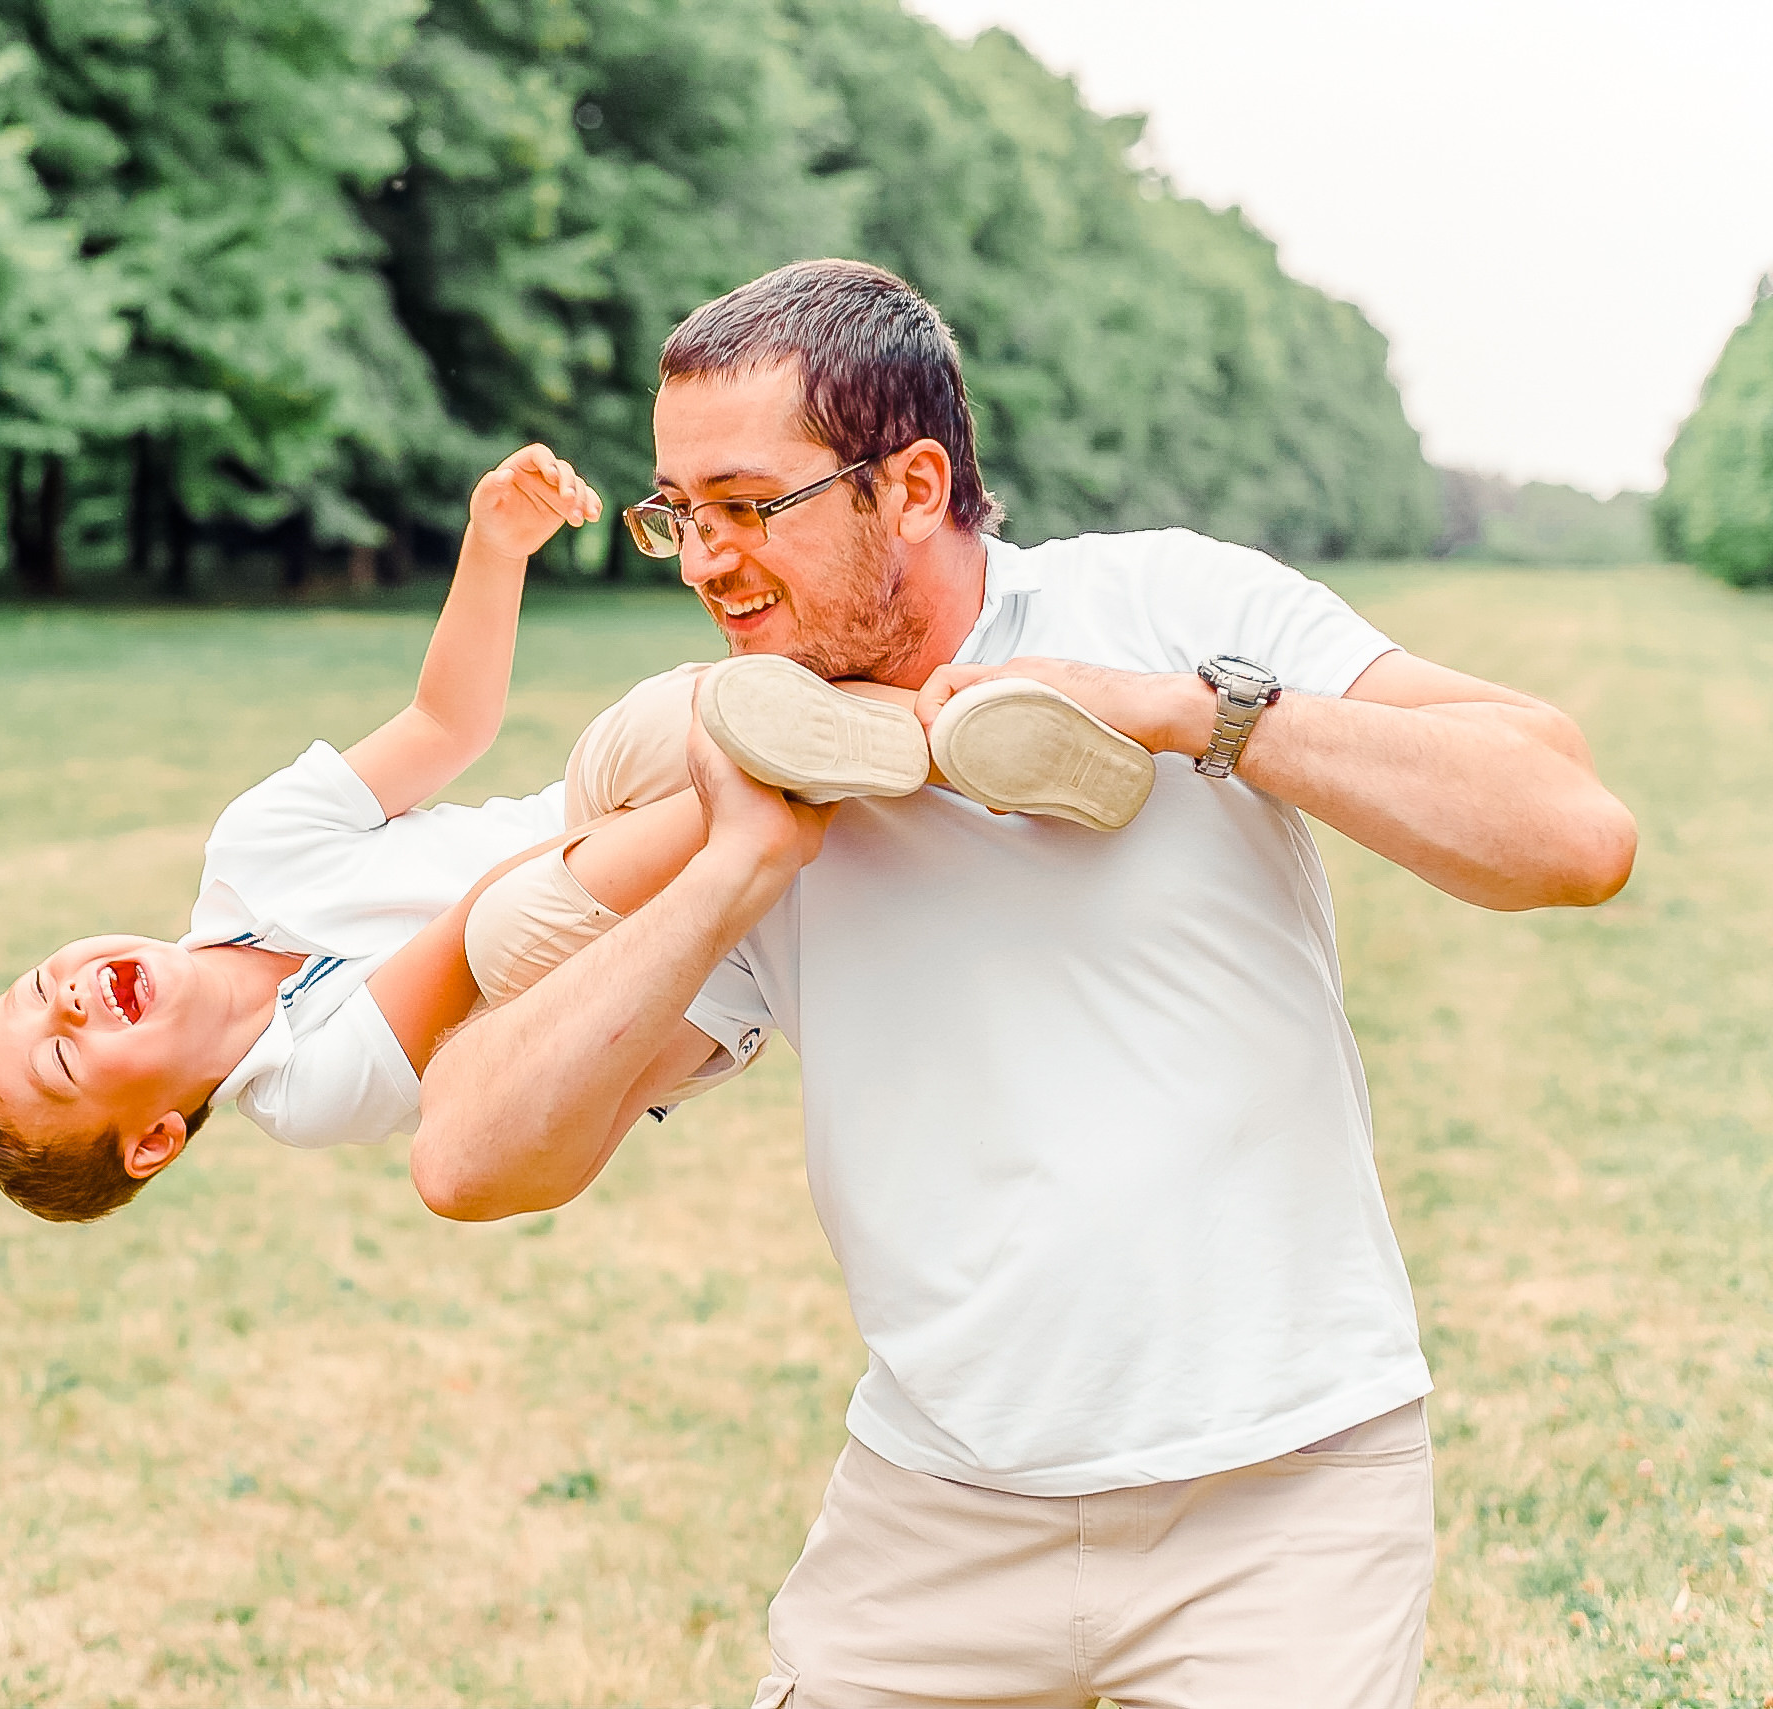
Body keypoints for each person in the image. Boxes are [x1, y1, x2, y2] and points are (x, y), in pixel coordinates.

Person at [410, 259, 1638, 1708]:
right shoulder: (749, 760)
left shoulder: (1169, 601)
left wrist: (1192, 715)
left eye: (748, 506)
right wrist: (740, 865)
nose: (701, 559)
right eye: (678, 512)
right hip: (936, 1510)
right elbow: (470, 1161)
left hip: (1285, 1499)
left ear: (912, 483)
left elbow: (1573, 833)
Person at [0, 436, 1167, 1225]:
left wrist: (495, 545)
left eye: (27, 990)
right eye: (59, 1057)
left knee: (653, 720)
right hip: (643, 984)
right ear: (155, 1136)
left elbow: (444, 723)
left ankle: (925, 737)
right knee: (519, 917)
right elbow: (475, 930)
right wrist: (703, 810)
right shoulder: (305, 1087)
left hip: (595, 827)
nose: (61, 1000)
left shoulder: (250, 850)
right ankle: (841, 761)